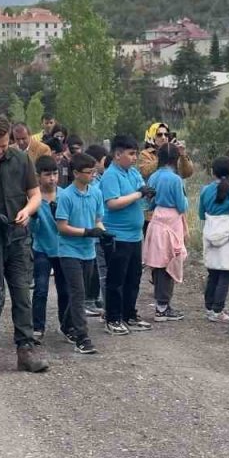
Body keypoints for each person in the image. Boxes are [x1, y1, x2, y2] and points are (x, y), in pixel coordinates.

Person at [0, 114, 49, 373]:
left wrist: (27, 211)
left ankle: (25, 349)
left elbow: (35, 194)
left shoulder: (21, 159)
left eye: (4, 145)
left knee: (22, 294)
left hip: (18, 238)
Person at [99, 134, 154, 336]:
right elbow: (112, 203)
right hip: (117, 235)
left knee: (133, 277)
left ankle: (129, 313)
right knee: (116, 279)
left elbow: (140, 195)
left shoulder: (133, 173)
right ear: (117, 154)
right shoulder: (111, 176)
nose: (134, 158)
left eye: (136, 153)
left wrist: (147, 193)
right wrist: (138, 194)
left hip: (135, 235)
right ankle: (113, 318)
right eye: (131, 154)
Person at [54, 151, 105, 354]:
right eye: (88, 172)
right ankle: (82, 337)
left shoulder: (96, 193)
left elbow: (98, 220)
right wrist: (86, 232)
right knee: (78, 293)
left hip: (88, 251)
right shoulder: (65, 196)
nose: (92, 175)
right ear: (76, 173)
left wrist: (103, 234)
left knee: (79, 292)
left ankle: (67, 325)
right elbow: (62, 227)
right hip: (69, 251)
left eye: (94, 172)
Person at [144, 142, 190, 322]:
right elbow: (182, 205)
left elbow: (149, 202)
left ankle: (160, 303)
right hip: (172, 220)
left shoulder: (153, 177)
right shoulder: (176, 179)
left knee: (158, 262)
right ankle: (163, 306)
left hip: (156, 219)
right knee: (171, 261)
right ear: (175, 159)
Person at [199, 156, 229, 323]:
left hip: (210, 232)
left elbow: (201, 213)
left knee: (213, 273)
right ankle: (218, 310)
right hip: (227, 235)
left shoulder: (205, 191)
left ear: (213, 172)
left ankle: (209, 308)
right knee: (226, 274)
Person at [30, 155, 70, 341]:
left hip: (63, 248)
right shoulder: (34, 198)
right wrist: (34, 216)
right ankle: (38, 326)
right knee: (40, 289)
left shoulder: (65, 195)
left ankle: (66, 325)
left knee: (65, 289)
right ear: (38, 176)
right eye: (47, 174)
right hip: (42, 249)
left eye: (55, 174)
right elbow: (31, 229)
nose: (52, 178)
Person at [81, 143, 110, 315]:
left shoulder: (100, 179)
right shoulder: (93, 184)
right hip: (91, 232)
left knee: (96, 268)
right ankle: (88, 300)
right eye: (104, 160)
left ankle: (93, 298)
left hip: (99, 229)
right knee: (93, 269)